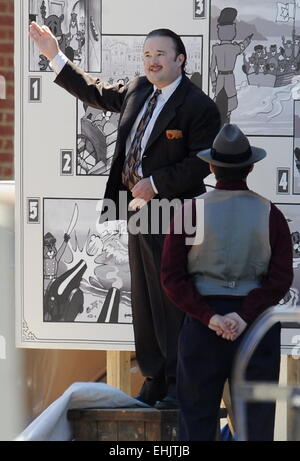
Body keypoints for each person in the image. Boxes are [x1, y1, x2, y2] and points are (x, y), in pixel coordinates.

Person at [29, 22, 221, 408]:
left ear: (180, 60)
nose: (152, 61)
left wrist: (157, 183)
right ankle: (154, 377)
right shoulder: (138, 89)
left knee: (172, 299)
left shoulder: (199, 106)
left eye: (160, 54)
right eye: (147, 55)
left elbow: (202, 162)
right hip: (136, 211)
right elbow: (95, 92)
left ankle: (177, 385)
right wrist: (54, 55)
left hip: (174, 212)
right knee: (147, 300)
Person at [161, 123, 293, 439]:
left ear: (210, 167)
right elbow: (280, 278)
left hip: (202, 322)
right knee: (256, 424)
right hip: (256, 326)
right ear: (249, 167)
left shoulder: (190, 211)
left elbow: (171, 277)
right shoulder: (270, 213)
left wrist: (211, 317)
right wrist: (243, 315)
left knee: (196, 421)